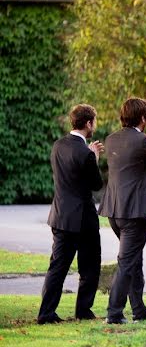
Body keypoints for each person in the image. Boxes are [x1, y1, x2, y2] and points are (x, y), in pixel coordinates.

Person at [99, 98, 146, 324]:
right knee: (127, 262)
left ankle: (139, 309)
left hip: (114, 210)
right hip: (134, 212)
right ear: (143, 118)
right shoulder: (143, 142)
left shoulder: (111, 139)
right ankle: (114, 313)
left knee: (133, 259)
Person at [37, 104, 105, 324]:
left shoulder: (58, 145)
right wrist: (94, 157)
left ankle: (46, 313)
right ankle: (83, 310)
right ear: (88, 123)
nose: (94, 125)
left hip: (59, 215)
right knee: (90, 265)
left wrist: (89, 155)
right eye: (94, 121)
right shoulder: (85, 153)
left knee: (57, 266)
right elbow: (96, 184)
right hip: (83, 219)